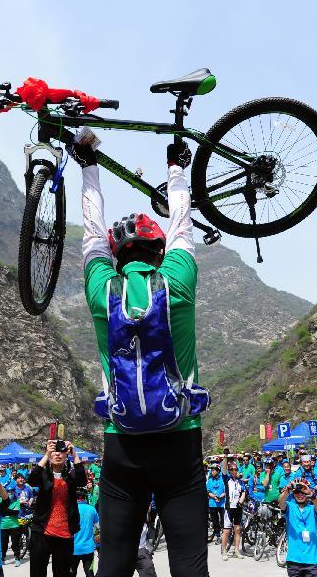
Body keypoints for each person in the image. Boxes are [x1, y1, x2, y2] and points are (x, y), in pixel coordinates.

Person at [72, 131, 210, 577]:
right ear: (159, 249)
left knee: (112, 564)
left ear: (116, 255)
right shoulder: (178, 280)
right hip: (179, 437)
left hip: (121, 442)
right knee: (189, 565)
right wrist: (176, 168)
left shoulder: (101, 289)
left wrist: (88, 165)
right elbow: (182, 223)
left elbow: (92, 232)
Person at [28, 439, 86, 577]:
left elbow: (82, 480)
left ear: (66, 455)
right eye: (54, 452)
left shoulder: (70, 477)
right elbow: (32, 480)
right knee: (37, 572)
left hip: (64, 534)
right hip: (42, 532)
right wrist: (47, 454)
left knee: (62, 573)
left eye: (62, 452)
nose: (58, 454)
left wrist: (75, 454)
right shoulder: (43, 475)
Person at [279, 479, 317, 577]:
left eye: (303, 492)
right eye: (297, 492)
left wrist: (311, 494)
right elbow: (281, 502)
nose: (300, 495)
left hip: (312, 560)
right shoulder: (290, 507)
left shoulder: (312, 507)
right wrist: (288, 490)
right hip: (294, 560)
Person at [220, 455, 246, 560]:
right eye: (232, 469)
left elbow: (243, 492)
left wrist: (241, 501)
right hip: (228, 508)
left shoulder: (240, 481)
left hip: (238, 508)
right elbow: (224, 468)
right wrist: (225, 457)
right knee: (226, 531)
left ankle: (236, 550)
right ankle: (224, 551)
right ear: (229, 471)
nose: (234, 471)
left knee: (238, 529)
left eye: (235, 469)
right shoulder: (226, 479)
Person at [71, 492, 100, 577]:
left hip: (73, 549)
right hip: (88, 548)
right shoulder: (92, 509)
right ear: (85, 498)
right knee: (90, 573)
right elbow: (97, 527)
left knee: (71, 574)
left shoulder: (70, 509)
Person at [205, 465, 225, 542]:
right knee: (215, 521)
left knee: (224, 520)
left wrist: (220, 497)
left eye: (214, 470)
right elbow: (208, 491)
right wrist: (214, 497)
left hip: (222, 503)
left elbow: (225, 491)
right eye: (212, 470)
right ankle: (218, 535)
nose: (212, 472)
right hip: (212, 503)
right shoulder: (210, 480)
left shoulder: (223, 479)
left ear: (218, 471)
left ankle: (225, 535)